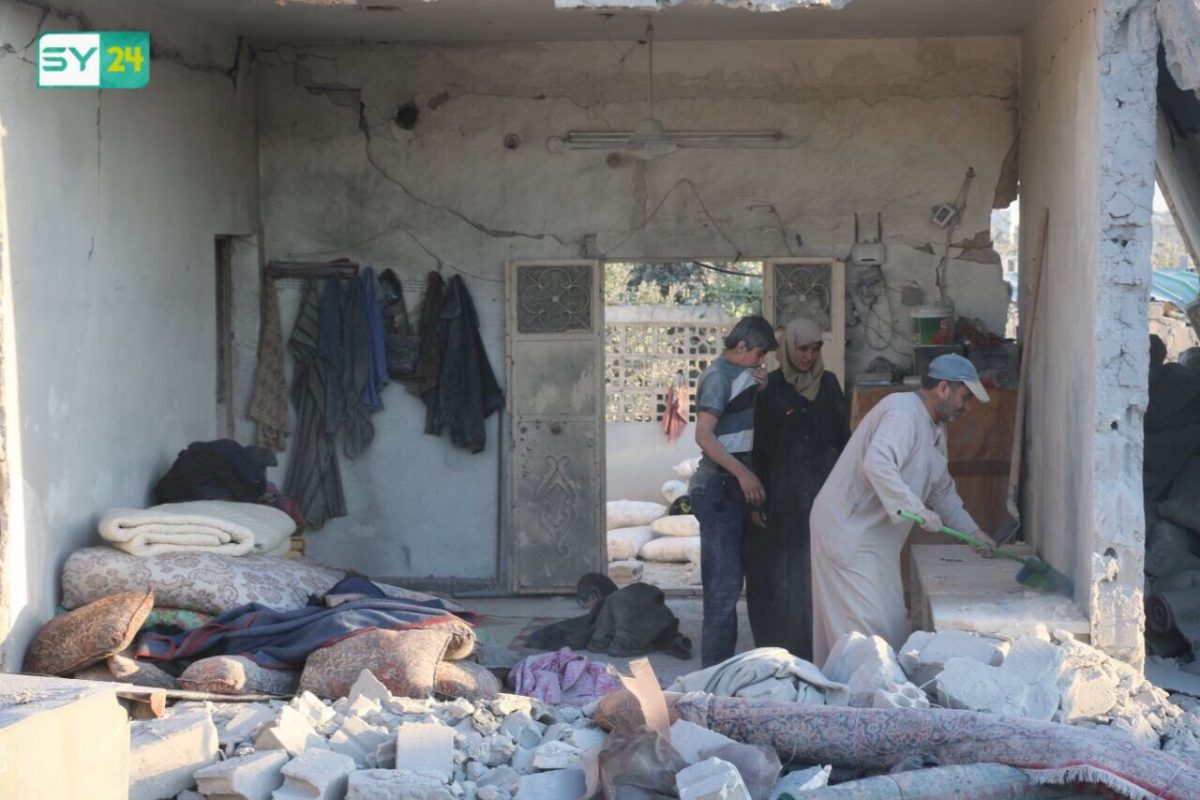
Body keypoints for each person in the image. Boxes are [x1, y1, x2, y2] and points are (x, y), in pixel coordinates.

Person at [809, 353, 996, 664]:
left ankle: (868, 686)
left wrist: (972, 532)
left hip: (876, 539)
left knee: (892, 622)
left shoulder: (936, 429)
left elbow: (942, 491)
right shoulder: (902, 412)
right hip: (849, 531)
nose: (967, 407)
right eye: (965, 397)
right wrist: (916, 509)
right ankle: (858, 690)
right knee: (865, 632)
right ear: (943, 389)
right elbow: (877, 464)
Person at [746, 319, 849, 661]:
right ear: (789, 349)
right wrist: (757, 499)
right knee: (782, 578)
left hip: (822, 493)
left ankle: (819, 652)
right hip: (781, 495)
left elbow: (843, 440)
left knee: (819, 575)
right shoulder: (771, 387)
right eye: (802, 349)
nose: (809, 356)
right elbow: (759, 443)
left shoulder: (829, 384)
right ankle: (782, 654)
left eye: (815, 349)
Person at [690, 315, 778, 667]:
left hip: (735, 485)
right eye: (758, 353)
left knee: (733, 587)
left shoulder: (743, 375)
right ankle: (712, 677)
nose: (761, 360)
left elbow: (740, 426)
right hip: (719, 487)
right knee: (722, 593)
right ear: (741, 346)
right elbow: (704, 435)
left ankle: (722, 672)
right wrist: (743, 475)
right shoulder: (718, 377)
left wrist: (760, 390)